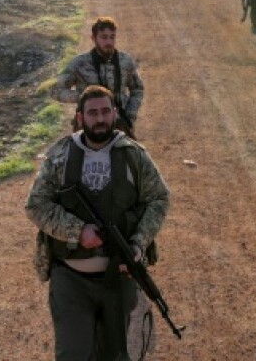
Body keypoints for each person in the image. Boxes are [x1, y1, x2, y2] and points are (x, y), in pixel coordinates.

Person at [27, 85, 171, 361]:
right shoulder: (61, 155)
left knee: (116, 355)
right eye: (93, 113)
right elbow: (36, 205)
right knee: (73, 355)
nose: (100, 118)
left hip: (119, 280)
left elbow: (159, 199)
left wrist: (138, 245)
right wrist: (78, 232)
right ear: (80, 117)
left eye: (106, 111)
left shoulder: (133, 155)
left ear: (115, 114)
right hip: (70, 278)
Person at [54, 17, 145, 136]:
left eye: (112, 37)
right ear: (93, 38)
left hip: (120, 125)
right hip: (88, 128)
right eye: (103, 37)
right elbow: (56, 90)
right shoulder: (79, 63)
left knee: (133, 153)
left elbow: (138, 89)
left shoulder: (125, 61)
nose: (109, 42)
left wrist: (130, 114)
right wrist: (84, 97)